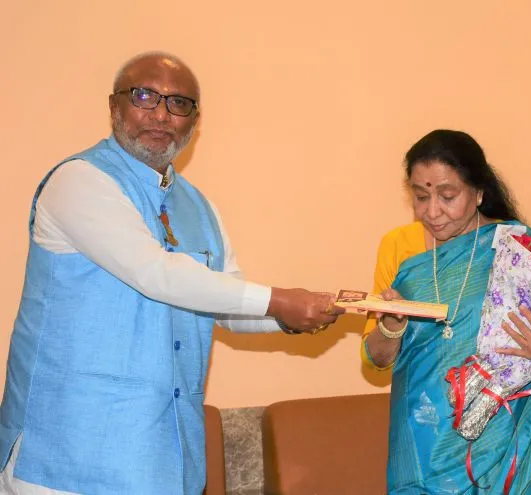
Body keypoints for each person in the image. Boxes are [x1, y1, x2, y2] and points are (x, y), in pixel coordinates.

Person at [0, 52, 343, 494]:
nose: (161, 114)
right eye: (144, 96)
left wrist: (307, 313)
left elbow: (225, 302)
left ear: (194, 123)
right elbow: (156, 273)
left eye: (179, 104)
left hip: (159, 457)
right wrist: (279, 300)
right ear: (113, 106)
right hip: (65, 457)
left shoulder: (199, 207)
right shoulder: (78, 181)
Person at [362, 129, 531, 494]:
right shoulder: (401, 250)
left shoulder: (517, 247)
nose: (432, 211)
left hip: (505, 433)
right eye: (420, 196)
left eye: (447, 195)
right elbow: (376, 359)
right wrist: (391, 327)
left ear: (478, 193)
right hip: (422, 438)